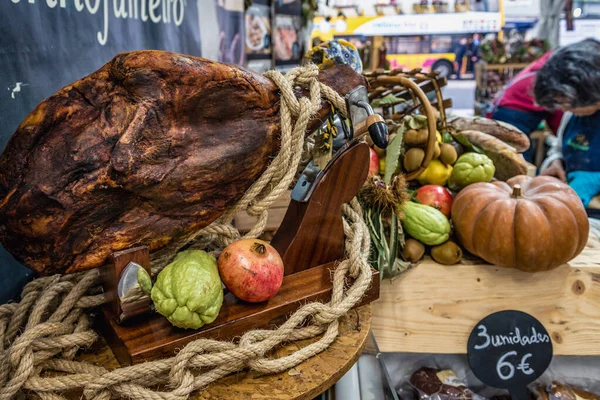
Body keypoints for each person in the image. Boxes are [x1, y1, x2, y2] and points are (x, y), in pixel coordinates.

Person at [534, 39, 600, 209]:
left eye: (570, 104)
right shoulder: (570, 115)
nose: (564, 109)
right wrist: (555, 162)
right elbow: (558, 147)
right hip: (572, 206)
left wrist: (594, 179)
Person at [489, 51, 563, 162]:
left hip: (503, 109)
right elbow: (557, 111)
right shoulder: (551, 76)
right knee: (515, 158)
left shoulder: (541, 68)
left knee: (511, 156)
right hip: (512, 113)